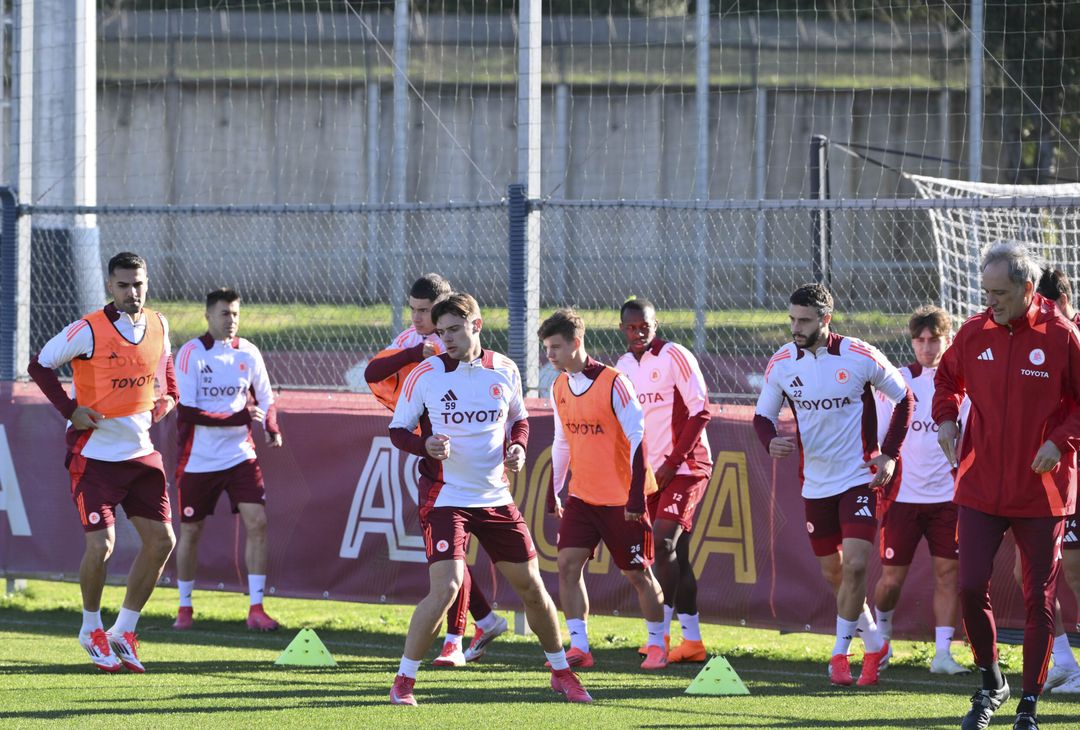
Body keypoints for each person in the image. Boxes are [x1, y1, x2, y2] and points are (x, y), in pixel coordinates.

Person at [387, 293, 591, 705]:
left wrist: (518, 447)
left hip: (495, 497)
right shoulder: (426, 373)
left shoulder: (504, 368)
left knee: (532, 587)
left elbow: (519, 419)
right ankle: (403, 682)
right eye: (441, 332)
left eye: (454, 330)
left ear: (476, 326)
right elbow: (397, 430)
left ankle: (561, 672)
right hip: (445, 497)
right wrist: (424, 445)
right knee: (447, 588)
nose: (446, 339)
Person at [934, 242, 1080, 730]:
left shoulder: (1062, 335)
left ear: (1027, 288)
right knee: (970, 584)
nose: (989, 301)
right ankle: (992, 682)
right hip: (980, 487)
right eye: (986, 291)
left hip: (1042, 491)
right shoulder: (974, 332)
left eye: (999, 293)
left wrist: (1060, 442)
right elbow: (946, 381)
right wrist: (946, 417)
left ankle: (1028, 706)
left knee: (1039, 598)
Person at [754, 283, 913, 688]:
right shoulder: (782, 363)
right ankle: (874, 641)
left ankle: (840, 654)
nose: (796, 327)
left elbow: (904, 398)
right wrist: (769, 441)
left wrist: (889, 454)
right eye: (792, 319)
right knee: (836, 574)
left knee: (857, 565)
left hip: (860, 478)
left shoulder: (859, 354)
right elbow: (762, 417)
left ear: (826, 319)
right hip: (815, 484)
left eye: (804, 320)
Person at [27, 252, 178, 673]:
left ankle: (123, 631)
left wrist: (169, 398)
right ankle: (90, 628)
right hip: (94, 456)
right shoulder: (89, 328)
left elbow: (167, 369)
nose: (133, 292)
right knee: (102, 545)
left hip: (141, 453)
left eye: (139, 284)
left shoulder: (159, 323)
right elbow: (39, 363)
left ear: (147, 283)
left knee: (162, 542)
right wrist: (69, 409)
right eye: (124, 285)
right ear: (110, 286)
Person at [365, 273, 506, 666]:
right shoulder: (413, 340)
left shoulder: (458, 347)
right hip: (432, 454)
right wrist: (414, 353)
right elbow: (373, 373)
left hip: (468, 462)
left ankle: (456, 639)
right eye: (412, 309)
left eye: (424, 310)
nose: (416, 317)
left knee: (453, 559)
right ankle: (482, 622)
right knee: (448, 557)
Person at [540, 308, 669, 671]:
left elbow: (639, 438)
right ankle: (579, 647)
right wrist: (555, 488)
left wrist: (635, 495)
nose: (550, 355)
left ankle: (657, 643)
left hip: (622, 500)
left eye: (555, 347)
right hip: (582, 497)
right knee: (567, 565)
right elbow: (561, 441)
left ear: (576, 343)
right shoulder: (558, 385)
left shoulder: (615, 382)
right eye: (546, 348)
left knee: (638, 574)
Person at [171, 288, 284, 632]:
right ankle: (184, 608)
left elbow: (266, 398)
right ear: (208, 316)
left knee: (258, 523)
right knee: (191, 531)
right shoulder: (191, 353)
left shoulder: (248, 352)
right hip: (199, 459)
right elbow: (187, 412)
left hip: (240, 456)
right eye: (224, 313)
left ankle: (256, 608)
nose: (231, 320)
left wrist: (271, 426)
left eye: (235, 313)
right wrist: (239, 417)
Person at [869, 305, 969, 675]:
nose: (927, 347)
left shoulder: (964, 384)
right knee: (891, 580)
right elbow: (879, 439)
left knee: (948, 575)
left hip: (949, 499)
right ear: (912, 342)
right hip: (902, 498)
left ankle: (942, 655)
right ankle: (882, 638)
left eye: (934, 339)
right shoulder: (896, 382)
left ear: (948, 340)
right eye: (920, 340)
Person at [616, 297, 712, 663]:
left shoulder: (675, 355)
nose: (638, 333)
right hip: (650, 474)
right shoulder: (623, 366)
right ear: (622, 328)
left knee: (662, 542)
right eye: (631, 327)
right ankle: (693, 642)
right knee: (676, 556)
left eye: (645, 326)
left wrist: (673, 463)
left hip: (686, 468)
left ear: (655, 325)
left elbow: (700, 410)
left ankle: (661, 634)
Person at [1008, 267, 1080, 696]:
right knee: (1029, 572)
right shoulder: (1033, 339)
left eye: (1052, 308)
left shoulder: (1072, 338)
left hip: (1070, 476)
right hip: (1050, 478)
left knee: (1073, 568)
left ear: (1065, 303)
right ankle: (1064, 661)